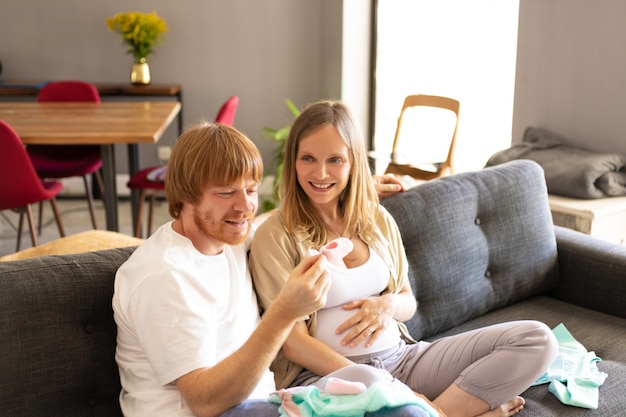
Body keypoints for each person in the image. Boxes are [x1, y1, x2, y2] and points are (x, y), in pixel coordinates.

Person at [248, 100, 559, 417]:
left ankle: (435, 412)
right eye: (308, 159)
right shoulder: (276, 235)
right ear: (293, 160)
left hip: (403, 358)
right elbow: (292, 343)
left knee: (538, 339)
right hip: (330, 377)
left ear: (353, 162)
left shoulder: (376, 219)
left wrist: (388, 305)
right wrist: (386, 385)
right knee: (386, 395)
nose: (321, 173)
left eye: (335, 160)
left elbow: (407, 301)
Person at [112, 122, 433, 417]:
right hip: (211, 412)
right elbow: (204, 401)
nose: (245, 207)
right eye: (226, 192)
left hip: (268, 401)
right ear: (184, 195)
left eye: (250, 190)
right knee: (403, 411)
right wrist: (283, 313)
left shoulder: (228, 235)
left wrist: (353, 188)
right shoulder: (165, 276)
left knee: (381, 389)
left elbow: (277, 215)